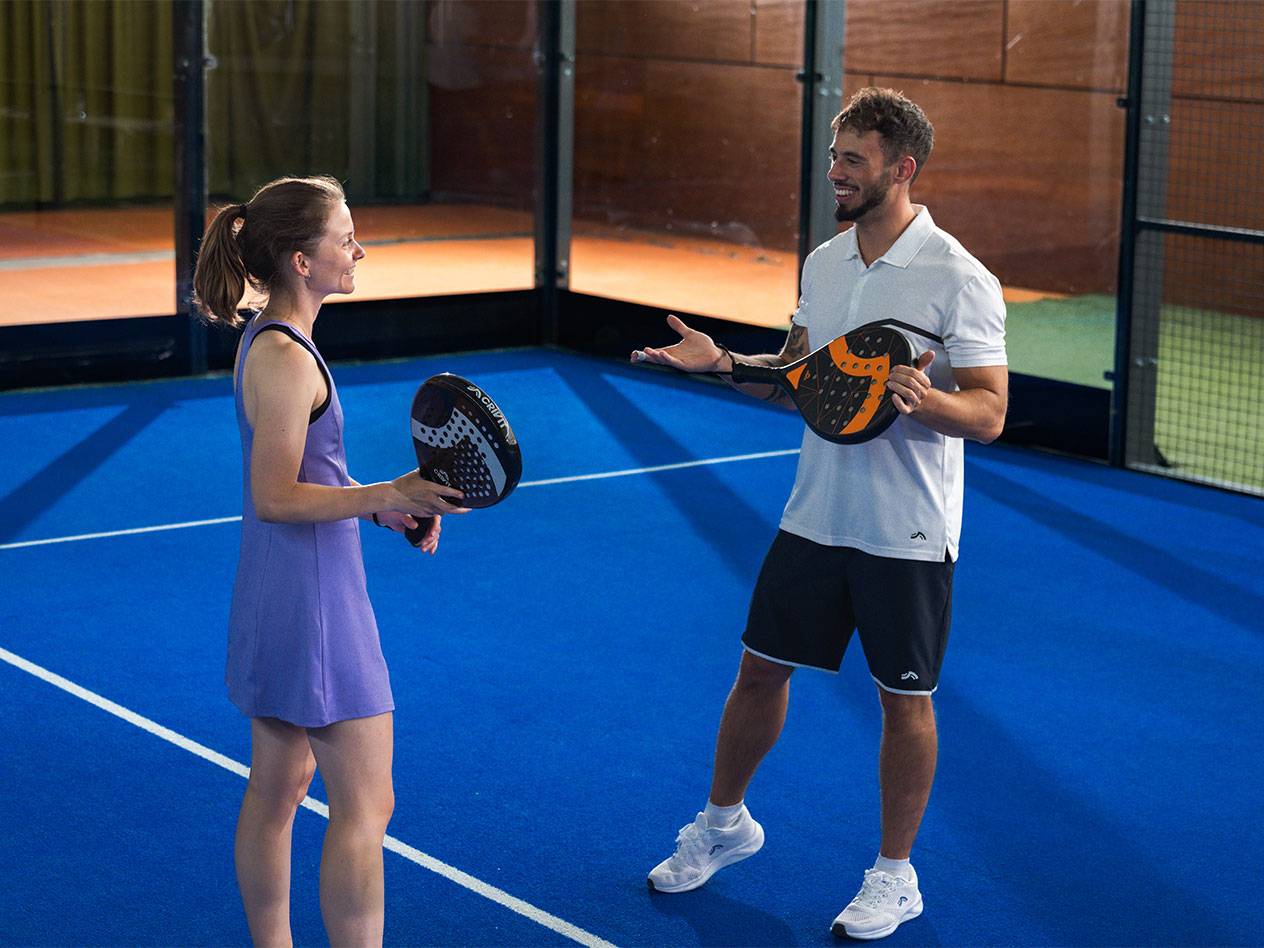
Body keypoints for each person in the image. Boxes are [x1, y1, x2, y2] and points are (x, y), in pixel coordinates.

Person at [634, 88, 1007, 940]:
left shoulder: (959, 277)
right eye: (835, 157)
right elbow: (804, 377)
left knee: (902, 703)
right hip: (814, 516)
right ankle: (724, 826)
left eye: (852, 160)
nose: (835, 172)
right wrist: (725, 361)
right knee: (759, 670)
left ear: (901, 169)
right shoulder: (827, 262)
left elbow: (987, 412)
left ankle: (894, 877)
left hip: (906, 531)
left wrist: (927, 402)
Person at [193, 175, 469, 946]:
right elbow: (276, 495)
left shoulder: (275, 340)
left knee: (280, 786)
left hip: (278, 592)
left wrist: (383, 506)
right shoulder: (286, 357)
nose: (359, 247)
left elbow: (306, 475)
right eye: (345, 235)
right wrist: (388, 485)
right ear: (301, 261)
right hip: (315, 607)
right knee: (366, 806)